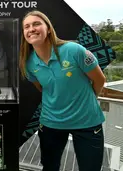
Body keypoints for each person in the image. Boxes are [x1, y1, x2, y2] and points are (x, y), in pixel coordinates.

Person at [19, 10, 106, 171]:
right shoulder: (28, 63)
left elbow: (100, 79)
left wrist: (87, 100)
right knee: (50, 167)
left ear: (49, 29)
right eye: (26, 26)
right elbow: (42, 87)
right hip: (51, 123)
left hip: (87, 122)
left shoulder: (74, 50)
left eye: (37, 24)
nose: (31, 29)